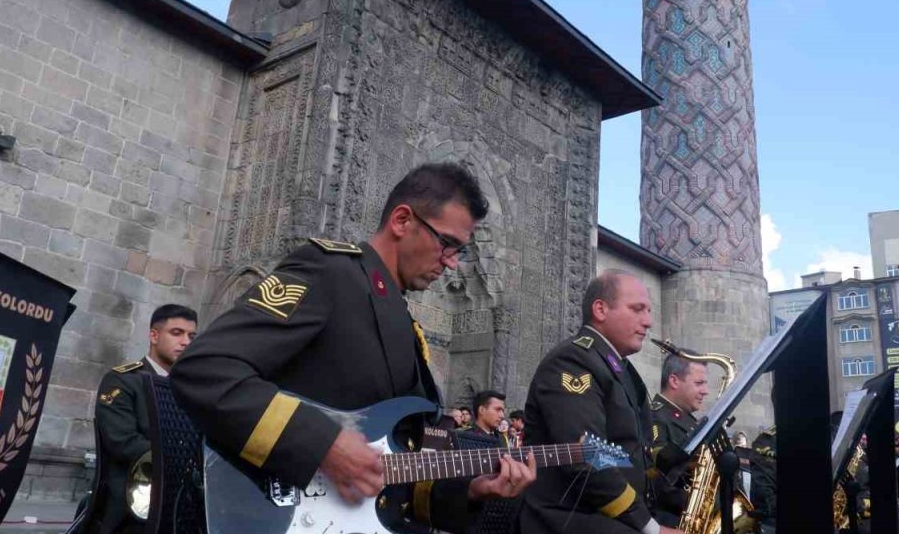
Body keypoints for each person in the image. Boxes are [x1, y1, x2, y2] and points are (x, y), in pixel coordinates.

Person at [171, 163, 535, 533]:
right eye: (447, 243)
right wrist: (323, 444)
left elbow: (400, 482)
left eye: (460, 250)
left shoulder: (406, 326)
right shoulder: (330, 272)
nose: (453, 263)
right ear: (402, 220)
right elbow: (205, 368)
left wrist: (473, 490)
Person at [519, 270, 682, 534]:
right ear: (601, 309)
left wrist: (680, 500)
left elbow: (635, 456)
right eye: (637, 309)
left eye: (649, 311)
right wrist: (651, 528)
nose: (649, 321)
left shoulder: (621, 369)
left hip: (612, 515)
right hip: (567, 519)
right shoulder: (573, 360)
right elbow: (588, 459)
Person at [87, 304, 197, 534]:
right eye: (176, 333)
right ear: (154, 335)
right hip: (132, 502)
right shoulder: (123, 380)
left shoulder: (191, 387)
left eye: (191, 335)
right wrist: (184, 459)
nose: (186, 342)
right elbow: (122, 442)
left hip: (182, 499)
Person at [650, 350, 708, 451]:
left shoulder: (686, 418)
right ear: (674, 381)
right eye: (699, 383)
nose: (705, 391)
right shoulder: (655, 418)